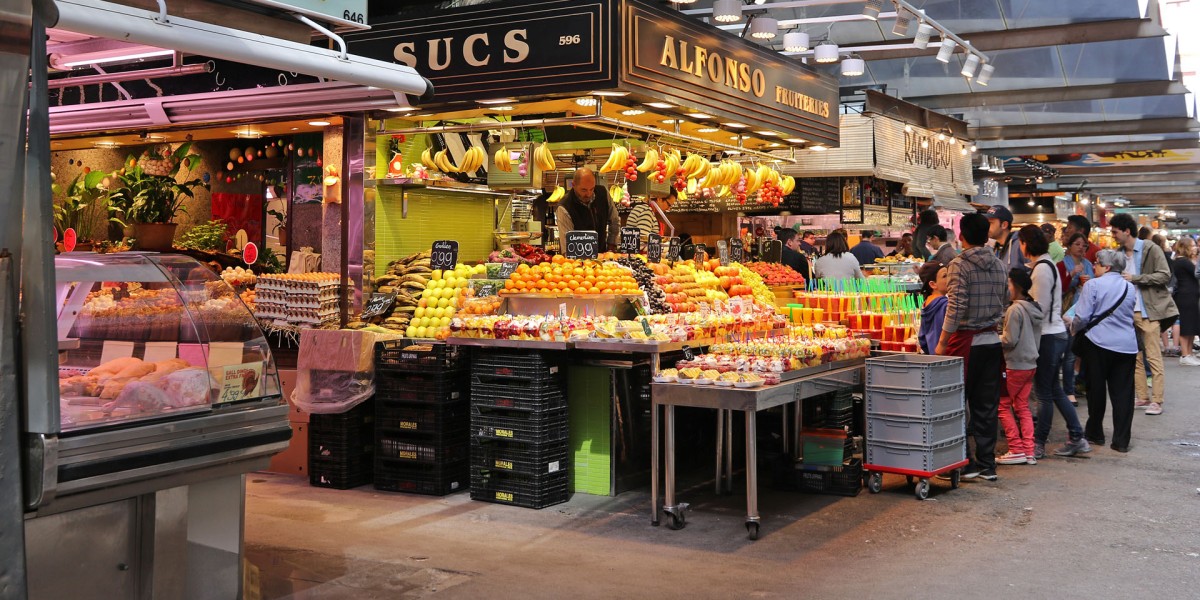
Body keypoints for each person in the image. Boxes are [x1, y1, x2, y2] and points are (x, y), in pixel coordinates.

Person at [935, 212, 1008, 481]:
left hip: (965, 343)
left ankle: (962, 463)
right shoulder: (999, 264)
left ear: (962, 236)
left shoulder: (959, 265)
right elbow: (1006, 300)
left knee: (955, 403)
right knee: (986, 406)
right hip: (991, 341)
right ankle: (988, 464)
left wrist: (942, 343)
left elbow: (956, 308)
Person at [1018, 225, 1087, 458]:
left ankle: (1038, 443)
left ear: (1026, 244)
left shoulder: (1043, 269)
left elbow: (1040, 309)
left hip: (1048, 335)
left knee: (1044, 394)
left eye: (1021, 242)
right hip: (1053, 333)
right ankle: (1077, 436)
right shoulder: (1045, 266)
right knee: (1054, 390)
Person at [1110, 213, 1178, 416]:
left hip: (1149, 311)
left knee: (1154, 356)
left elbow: (1165, 275)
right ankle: (1142, 396)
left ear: (1126, 231)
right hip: (1127, 313)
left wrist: (1136, 278)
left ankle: (1157, 400)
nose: (1112, 235)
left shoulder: (1150, 248)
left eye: (1114, 231)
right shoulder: (1119, 253)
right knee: (1135, 358)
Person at [1074, 249, 1139, 452]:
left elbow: (1083, 317)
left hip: (1098, 342)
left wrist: (1072, 328)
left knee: (1097, 390)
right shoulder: (1129, 287)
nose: (1094, 266)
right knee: (1123, 394)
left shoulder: (1092, 285)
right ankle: (1121, 441)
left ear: (1107, 267)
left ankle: (1095, 432)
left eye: (1097, 263)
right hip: (1126, 345)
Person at [998, 268, 1044, 465]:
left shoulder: (1015, 309)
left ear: (1015, 286)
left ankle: (1016, 448)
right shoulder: (1034, 308)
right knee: (1023, 407)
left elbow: (1009, 340)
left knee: (1002, 405)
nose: (1006, 288)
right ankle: (1028, 450)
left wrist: (994, 337)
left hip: (1015, 364)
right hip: (1030, 364)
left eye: (1008, 284)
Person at [1058, 232, 1095, 405]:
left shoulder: (1088, 264)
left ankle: (1080, 385)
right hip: (1067, 313)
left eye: (1084, 245)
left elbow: (1094, 285)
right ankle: (1068, 390)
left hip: (1084, 312)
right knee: (1070, 354)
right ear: (1070, 246)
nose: (1081, 248)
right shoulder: (1061, 264)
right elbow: (1060, 289)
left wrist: (1088, 283)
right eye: (1077, 244)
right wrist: (1073, 275)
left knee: (1084, 352)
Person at [554, 167, 621, 251]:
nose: (588, 194)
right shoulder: (564, 207)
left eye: (592, 189)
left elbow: (614, 220)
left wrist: (611, 245)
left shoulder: (603, 193)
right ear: (573, 185)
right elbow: (567, 245)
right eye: (584, 190)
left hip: (603, 255)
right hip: (578, 258)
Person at [1171, 236, 1200, 366]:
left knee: (1191, 325)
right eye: (1193, 245)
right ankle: (1185, 354)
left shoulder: (1182, 261)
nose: (1195, 248)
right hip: (1186, 296)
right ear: (1186, 247)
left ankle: (1188, 353)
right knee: (1186, 325)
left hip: (1190, 295)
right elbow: (1196, 272)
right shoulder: (1183, 261)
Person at [917, 261, 949, 355]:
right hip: (947, 357)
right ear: (933, 284)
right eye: (945, 276)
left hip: (932, 357)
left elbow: (922, 338)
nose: (950, 278)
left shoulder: (926, 304)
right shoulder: (946, 305)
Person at [986, 205, 1025, 272]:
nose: (986, 226)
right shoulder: (995, 248)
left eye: (990, 223)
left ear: (1004, 225)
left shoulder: (1020, 245)